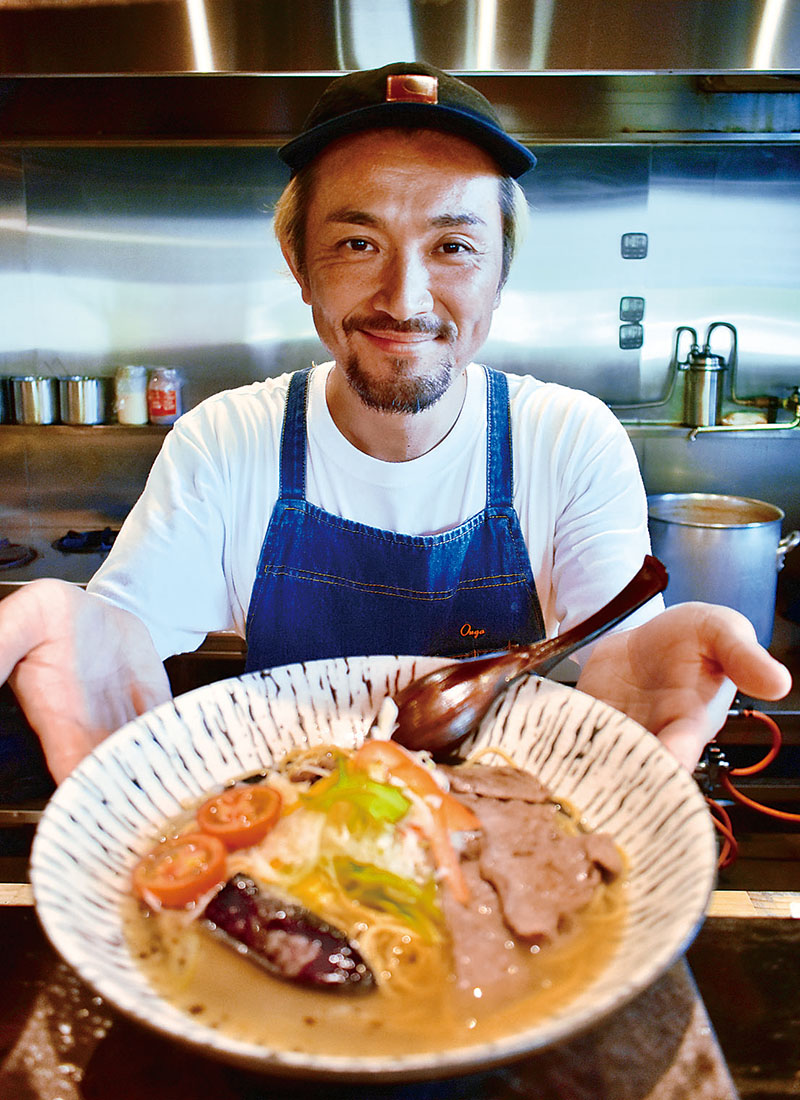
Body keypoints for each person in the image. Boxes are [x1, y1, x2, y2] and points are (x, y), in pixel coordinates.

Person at [0, 62, 791, 785]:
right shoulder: (225, 441)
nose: (405, 299)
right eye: (356, 241)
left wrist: (628, 663)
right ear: (299, 263)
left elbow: (616, 647)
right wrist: (89, 630)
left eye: (453, 245)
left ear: (499, 274)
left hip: (491, 845)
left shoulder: (569, 440)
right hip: (290, 851)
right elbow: (125, 629)